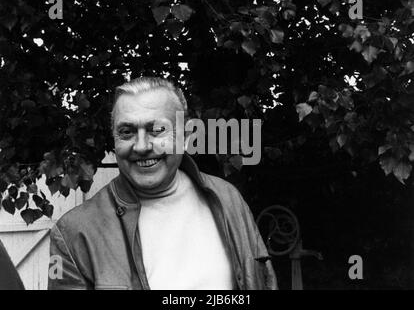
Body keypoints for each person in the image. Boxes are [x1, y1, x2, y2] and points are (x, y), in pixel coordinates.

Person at [48, 77, 277, 290]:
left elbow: (264, 279)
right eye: (126, 132)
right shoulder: (74, 233)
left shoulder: (228, 198)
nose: (141, 146)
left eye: (157, 130)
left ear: (186, 136)